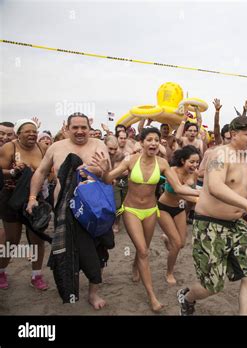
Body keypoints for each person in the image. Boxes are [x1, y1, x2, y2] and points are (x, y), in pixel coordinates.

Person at [93, 127, 199, 312]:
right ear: (141, 142)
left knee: (144, 249)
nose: (153, 143)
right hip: (131, 210)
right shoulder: (130, 160)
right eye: (149, 139)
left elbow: (179, 188)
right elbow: (108, 179)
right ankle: (152, 297)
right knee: (143, 251)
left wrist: (204, 193)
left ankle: (135, 267)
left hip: (151, 210)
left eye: (156, 140)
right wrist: (104, 170)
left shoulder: (163, 163)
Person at [177, 116, 247, 316]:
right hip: (210, 225)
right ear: (234, 134)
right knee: (212, 286)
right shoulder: (220, 154)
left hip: (236, 225)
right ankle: (187, 297)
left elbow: (246, 187)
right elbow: (216, 187)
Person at [26, 113, 112, 309]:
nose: (80, 131)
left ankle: (93, 293)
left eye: (84, 127)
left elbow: (107, 179)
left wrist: (103, 170)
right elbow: (40, 172)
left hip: (93, 211)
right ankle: (69, 286)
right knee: (68, 252)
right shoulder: (56, 148)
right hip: (64, 210)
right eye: (75, 127)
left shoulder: (99, 145)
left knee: (96, 252)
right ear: (67, 128)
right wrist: (32, 198)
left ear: (90, 128)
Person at [0, 119, 49, 290]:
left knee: (37, 238)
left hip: (35, 198)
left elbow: (49, 173)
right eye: (27, 131)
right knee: (11, 239)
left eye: (34, 131)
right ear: (18, 133)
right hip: (11, 198)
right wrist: (14, 171)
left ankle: (36, 275)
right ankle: (2, 271)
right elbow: (1, 172)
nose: (32, 134)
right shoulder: (9, 148)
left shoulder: (42, 148)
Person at [158, 145, 200, 285]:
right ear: (183, 160)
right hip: (164, 208)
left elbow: (191, 194)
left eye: (197, 162)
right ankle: (169, 272)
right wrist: (202, 200)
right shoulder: (171, 171)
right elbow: (180, 192)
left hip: (179, 209)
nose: (195, 165)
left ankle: (166, 238)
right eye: (192, 162)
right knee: (176, 244)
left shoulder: (194, 174)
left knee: (181, 244)